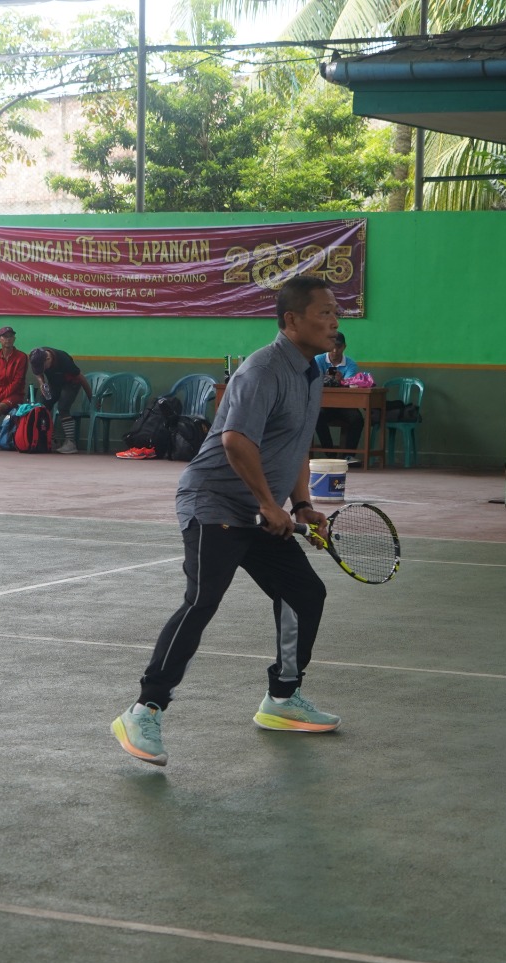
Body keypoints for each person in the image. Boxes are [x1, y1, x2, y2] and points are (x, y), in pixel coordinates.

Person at [111, 275, 339, 768]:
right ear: (291, 320)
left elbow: (296, 444)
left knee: (305, 593)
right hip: (213, 500)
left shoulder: (311, 374)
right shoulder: (262, 370)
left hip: (259, 509)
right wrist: (269, 505)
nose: (334, 322)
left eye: (335, 313)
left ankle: (282, 699)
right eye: (324, 313)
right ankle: (143, 710)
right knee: (203, 599)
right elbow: (236, 442)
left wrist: (300, 505)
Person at [28, 346, 91, 454]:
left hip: (71, 383)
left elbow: (80, 377)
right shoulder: (37, 357)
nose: (43, 369)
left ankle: (71, 443)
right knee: (43, 406)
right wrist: (42, 383)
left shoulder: (63, 359)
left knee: (63, 407)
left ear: (48, 359)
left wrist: (91, 397)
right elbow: (38, 374)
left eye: (43, 367)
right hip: (54, 383)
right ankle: (50, 440)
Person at [313, 330, 363, 462]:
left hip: (344, 406)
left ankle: (349, 455)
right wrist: (327, 379)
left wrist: (341, 381)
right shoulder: (318, 360)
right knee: (316, 415)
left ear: (344, 347)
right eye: (332, 346)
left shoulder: (350, 364)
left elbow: (350, 384)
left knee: (357, 419)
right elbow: (315, 381)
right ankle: (330, 453)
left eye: (339, 347)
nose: (335, 351)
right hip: (324, 405)